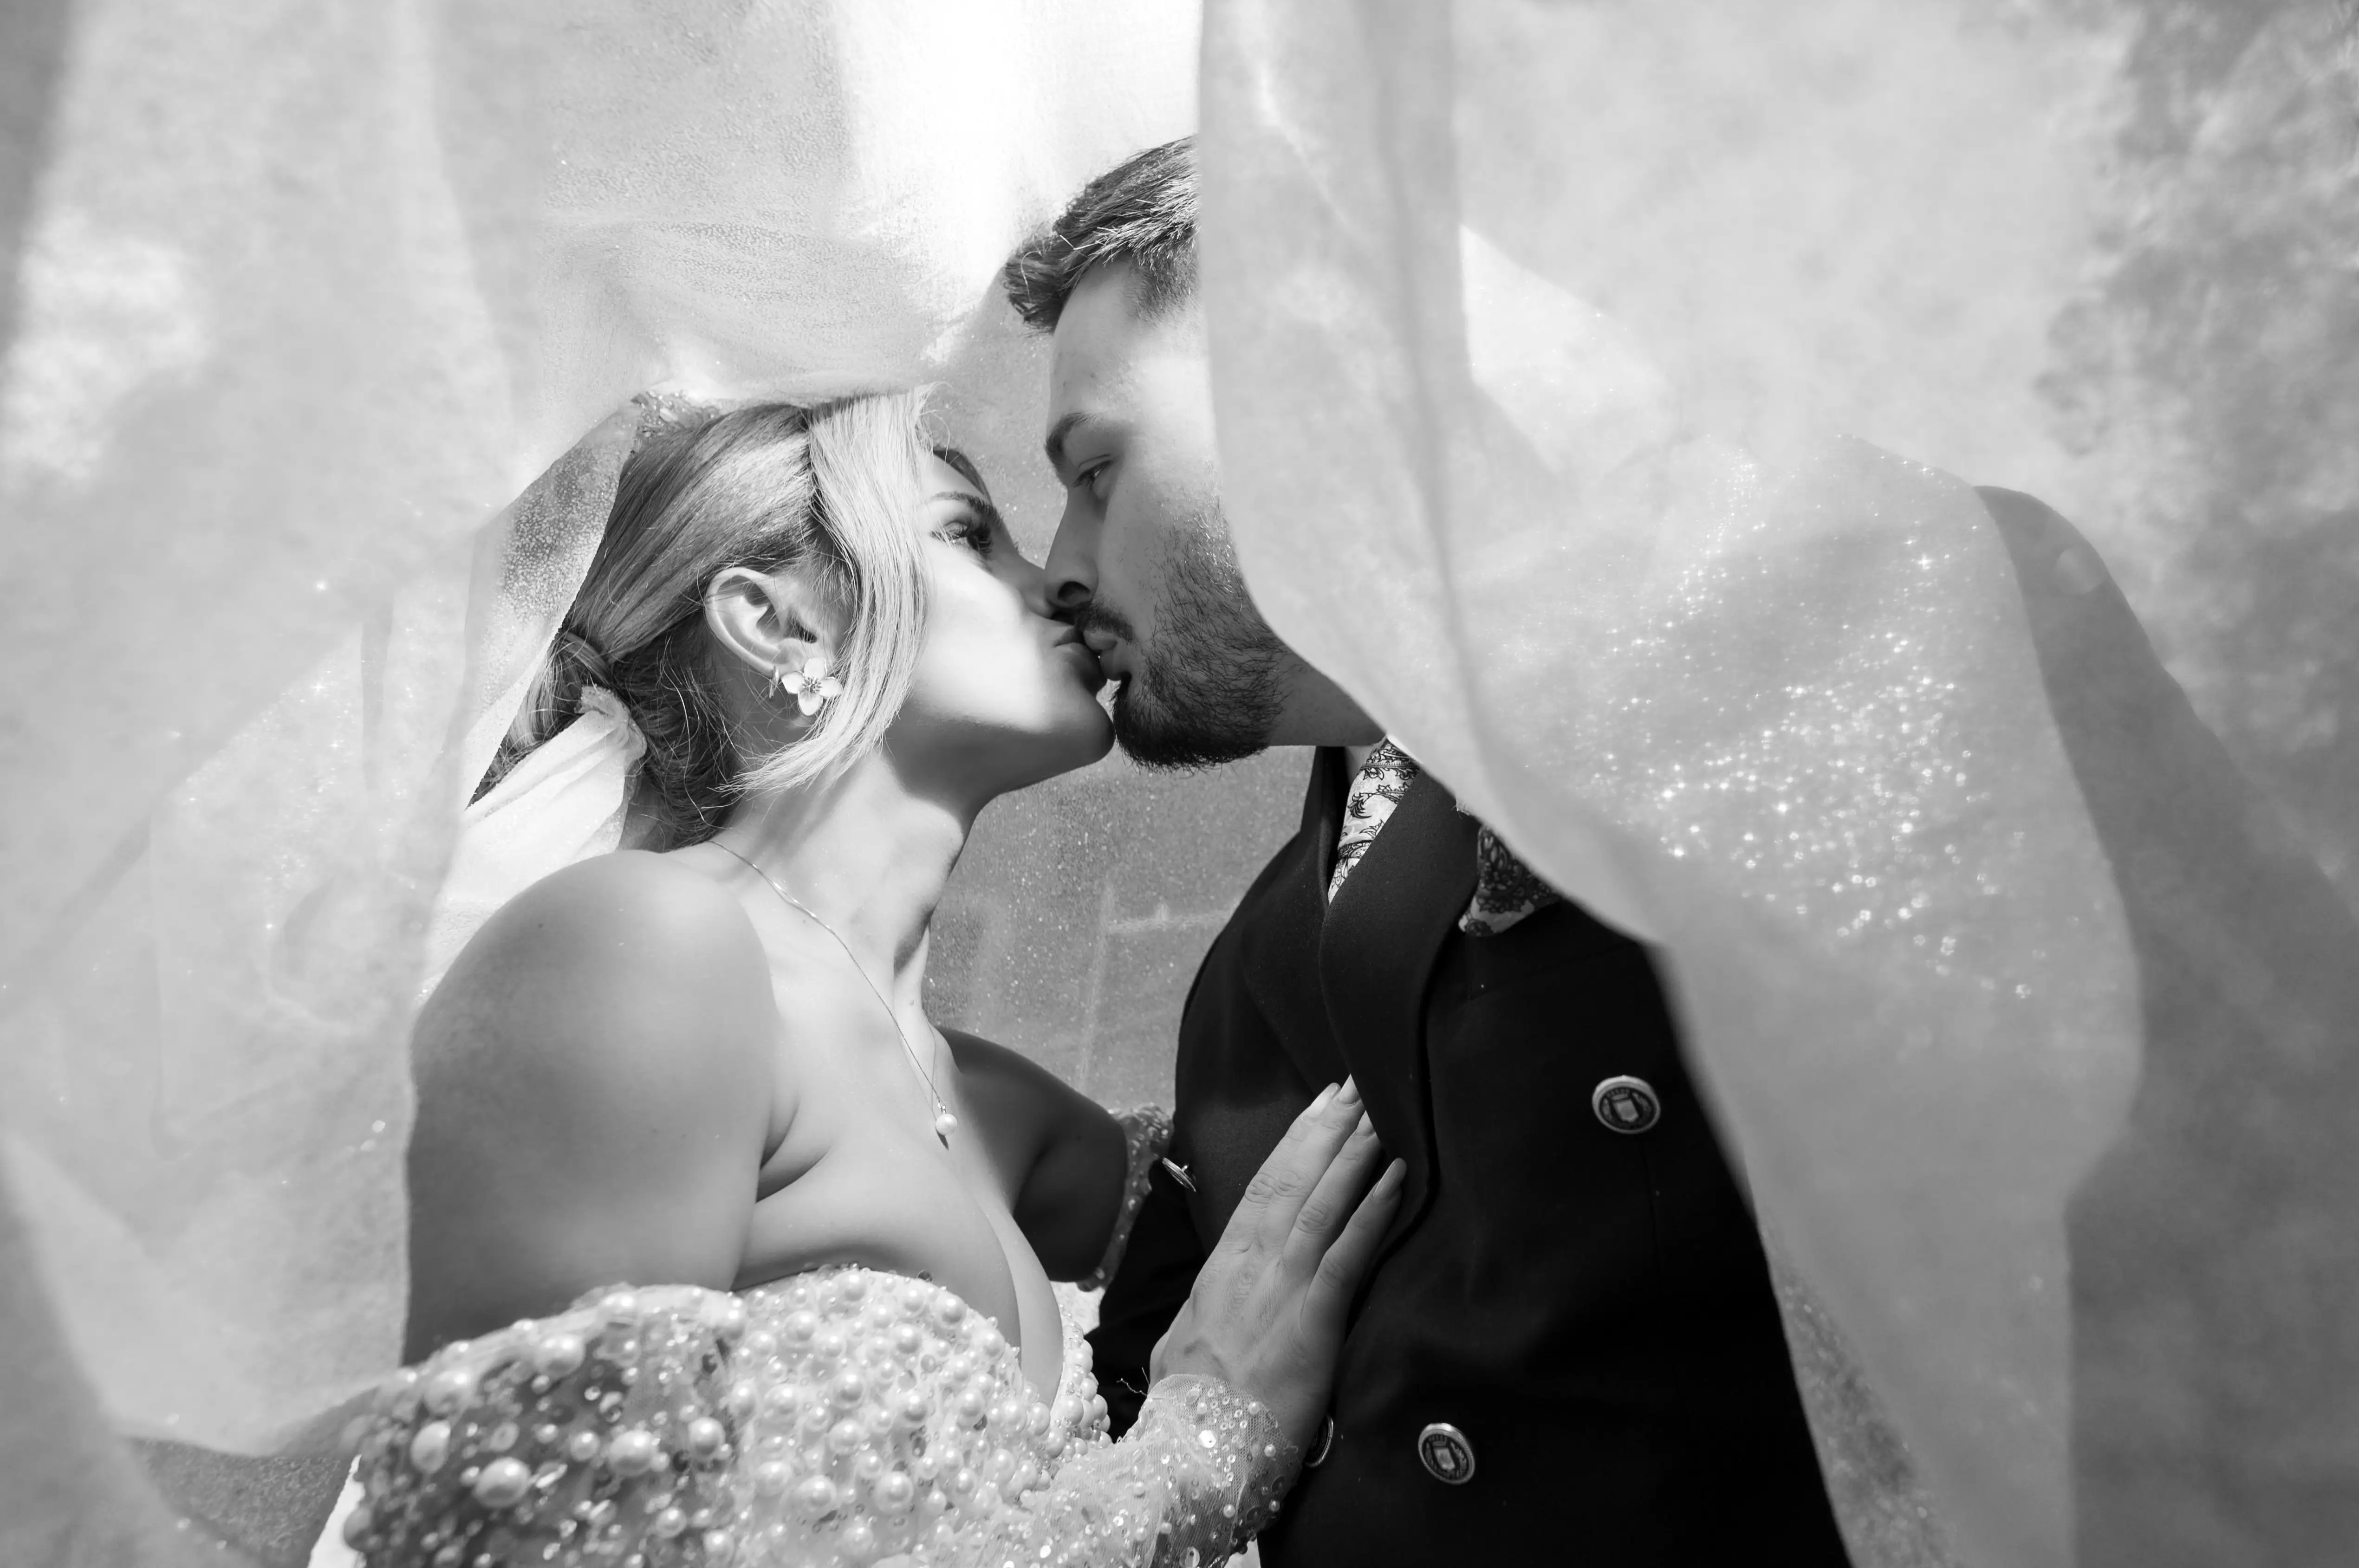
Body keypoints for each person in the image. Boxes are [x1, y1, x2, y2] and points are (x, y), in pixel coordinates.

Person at [333, 393, 1406, 1567]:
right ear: (777, 624)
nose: (1059, 582)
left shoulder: (1000, 1111)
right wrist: (1194, 1462)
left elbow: (1350, 1165)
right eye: (965, 535)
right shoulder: (643, 948)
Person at [1002, 137, 1856, 1566]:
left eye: (1098, 469)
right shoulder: (1251, 972)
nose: (1064, 565)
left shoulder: (1804, 658)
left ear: (1313, 385)